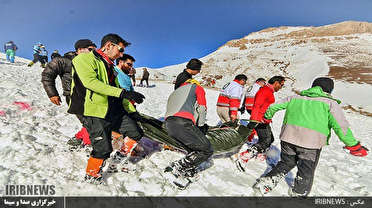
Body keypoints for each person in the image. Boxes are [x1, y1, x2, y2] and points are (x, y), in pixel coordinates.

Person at [253, 77, 369, 196]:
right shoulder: (329, 103)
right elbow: (341, 127)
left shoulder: (295, 98)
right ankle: (299, 193)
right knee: (306, 170)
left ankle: (266, 182)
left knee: (286, 163)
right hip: (311, 144)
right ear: (329, 90)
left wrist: (267, 117)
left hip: (288, 138)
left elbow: (272, 107)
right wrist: (353, 145)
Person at [67, 33, 145, 183]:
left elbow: (117, 92)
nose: (121, 54)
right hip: (94, 110)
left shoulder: (110, 66)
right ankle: (92, 176)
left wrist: (132, 112)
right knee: (103, 149)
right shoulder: (83, 59)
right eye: (120, 50)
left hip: (113, 110)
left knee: (135, 132)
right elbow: (90, 82)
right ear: (109, 45)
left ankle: (117, 160)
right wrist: (123, 92)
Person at [164, 59, 213, 187]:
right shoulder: (197, 88)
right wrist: (201, 126)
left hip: (169, 123)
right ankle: (177, 168)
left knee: (193, 148)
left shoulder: (178, 89)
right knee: (206, 149)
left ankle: (188, 169)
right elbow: (202, 109)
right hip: (182, 122)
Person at [41, 39, 97, 148]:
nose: (92, 53)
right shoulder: (64, 61)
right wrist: (52, 94)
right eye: (90, 50)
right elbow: (47, 75)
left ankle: (78, 138)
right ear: (79, 49)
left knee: (95, 121)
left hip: (91, 97)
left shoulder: (91, 63)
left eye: (94, 51)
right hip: (74, 97)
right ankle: (91, 148)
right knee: (91, 123)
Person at [234, 76, 285, 170]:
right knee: (266, 140)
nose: (281, 87)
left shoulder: (268, 90)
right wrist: (254, 120)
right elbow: (257, 105)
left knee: (270, 139)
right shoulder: (265, 90)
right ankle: (244, 156)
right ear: (276, 82)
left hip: (263, 119)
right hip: (259, 119)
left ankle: (260, 156)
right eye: (281, 85)